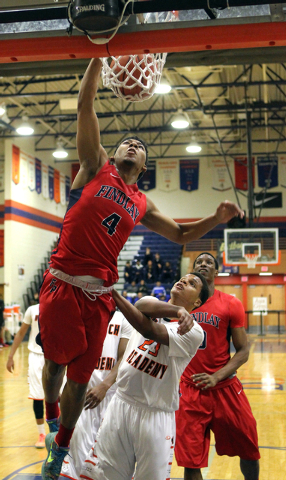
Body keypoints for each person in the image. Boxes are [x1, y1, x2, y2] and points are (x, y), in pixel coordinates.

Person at [39, 56, 243, 480]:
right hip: (61, 280)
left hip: (97, 293)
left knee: (79, 376)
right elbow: (84, 106)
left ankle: (59, 450)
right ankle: (54, 420)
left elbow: (182, 236)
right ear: (113, 153)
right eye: (127, 142)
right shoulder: (95, 168)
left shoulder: (141, 202)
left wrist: (215, 220)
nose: (132, 144)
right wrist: (98, 58)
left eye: (140, 146)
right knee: (55, 365)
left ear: (145, 166)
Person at [83, 272, 208, 480]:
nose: (184, 281)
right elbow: (141, 305)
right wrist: (178, 309)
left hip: (155, 414)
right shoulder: (151, 304)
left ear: (197, 301)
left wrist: (111, 292)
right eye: (183, 278)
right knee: (104, 476)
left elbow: (149, 330)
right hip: (120, 405)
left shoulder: (194, 332)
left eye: (192, 283)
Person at [175, 252, 260, 480]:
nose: (203, 264)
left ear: (216, 272)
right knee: (191, 462)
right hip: (191, 390)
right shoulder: (177, 306)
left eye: (208, 262)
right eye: (198, 262)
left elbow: (243, 351)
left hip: (225, 388)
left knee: (250, 448)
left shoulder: (231, 303)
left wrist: (216, 376)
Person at [60, 310, 133, 480]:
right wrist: (64, 389)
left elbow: (126, 356)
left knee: (110, 463)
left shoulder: (123, 318)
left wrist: (105, 385)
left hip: (112, 396)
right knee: (76, 465)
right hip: (80, 395)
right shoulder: (79, 312)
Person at [6, 304, 46, 448]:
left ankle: (59, 432)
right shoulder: (32, 309)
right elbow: (21, 333)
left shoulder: (60, 306)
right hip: (35, 355)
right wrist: (10, 356)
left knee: (59, 396)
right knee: (37, 395)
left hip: (55, 356)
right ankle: (42, 434)